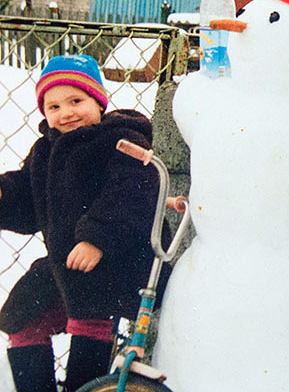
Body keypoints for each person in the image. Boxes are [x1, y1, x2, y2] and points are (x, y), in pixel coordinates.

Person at [0, 55, 168, 392]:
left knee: (88, 317)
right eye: (54, 106)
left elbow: (133, 190)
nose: (66, 113)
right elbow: (31, 201)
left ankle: (85, 387)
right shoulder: (46, 150)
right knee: (23, 317)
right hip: (68, 264)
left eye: (76, 101)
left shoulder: (120, 139)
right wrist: (5, 195)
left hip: (114, 259)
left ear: (98, 101)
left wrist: (97, 238)